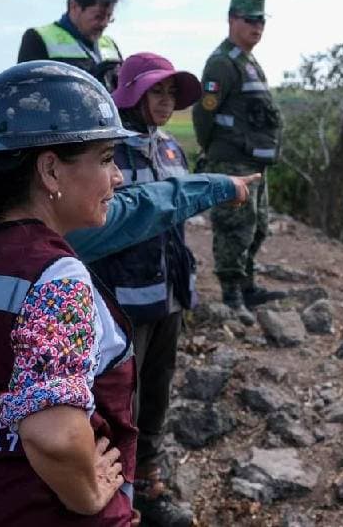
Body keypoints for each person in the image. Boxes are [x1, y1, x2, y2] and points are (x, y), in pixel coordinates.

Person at [0, 62, 254, 526]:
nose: (117, 177)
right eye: (106, 159)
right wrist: (89, 496)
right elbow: (56, 437)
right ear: (50, 170)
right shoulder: (56, 281)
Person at [0, 77, 258, 395]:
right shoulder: (50, 262)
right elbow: (140, 207)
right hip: (22, 453)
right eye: (106, 159)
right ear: (42, 165)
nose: (116, 176)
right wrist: (217, 186)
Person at [91, 53, 202, 526]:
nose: (166, 101)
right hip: (122, 301)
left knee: (157, 391)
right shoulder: (108, 151)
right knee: (119, 400)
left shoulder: (171, 148)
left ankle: (147, 483)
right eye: (157, 91)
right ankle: (112, 496)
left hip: (169, 297)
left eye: (172, 93)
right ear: (132, 92)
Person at [192, 0, 286, 323]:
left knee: (257, 227)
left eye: (261, 21)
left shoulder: (247, 60)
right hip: (231, 159)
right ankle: (231, 295)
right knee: (235, 227)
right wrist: (213, 151)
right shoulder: (222, 63)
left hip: (254, 160)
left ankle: (247, 286)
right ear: (232, 20)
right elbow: (204, 113)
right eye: (250, 20)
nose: (257, 27)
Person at [18, 0, 124, 90]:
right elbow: (27, 91)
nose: (104, 24)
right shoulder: (37, 38)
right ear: (74, 7)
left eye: (109, 17)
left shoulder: (110, 45)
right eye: (98, 17)